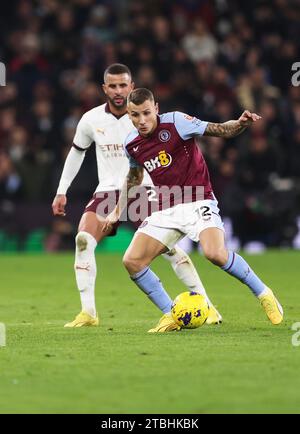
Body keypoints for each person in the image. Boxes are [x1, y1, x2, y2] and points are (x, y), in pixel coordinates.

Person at [52, 64, 221, 327]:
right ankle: (88, 313)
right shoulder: (90, 119)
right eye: (113, 86)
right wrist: (62, 191)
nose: (118, 91)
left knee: (170, 251)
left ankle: (208, 307)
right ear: (104, 88)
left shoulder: (147, 118)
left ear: (132, 88)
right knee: (83, 239)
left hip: (148, 189)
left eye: (123, 85)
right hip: (108, 191)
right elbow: (77, 152)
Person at [103, 87, 283, 332]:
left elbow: (220, 129)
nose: (142, 121)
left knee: (215, 254)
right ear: (128, 114)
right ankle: (171, 315)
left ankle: (264, 294)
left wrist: (240, 124)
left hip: (198, 200)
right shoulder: (131, 143)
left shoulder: (177, 122)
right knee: (132, 261)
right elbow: (133, 177)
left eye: (146, 113)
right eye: (135, 115)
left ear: (156, 108)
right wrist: (115, 212)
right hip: (165, 207)